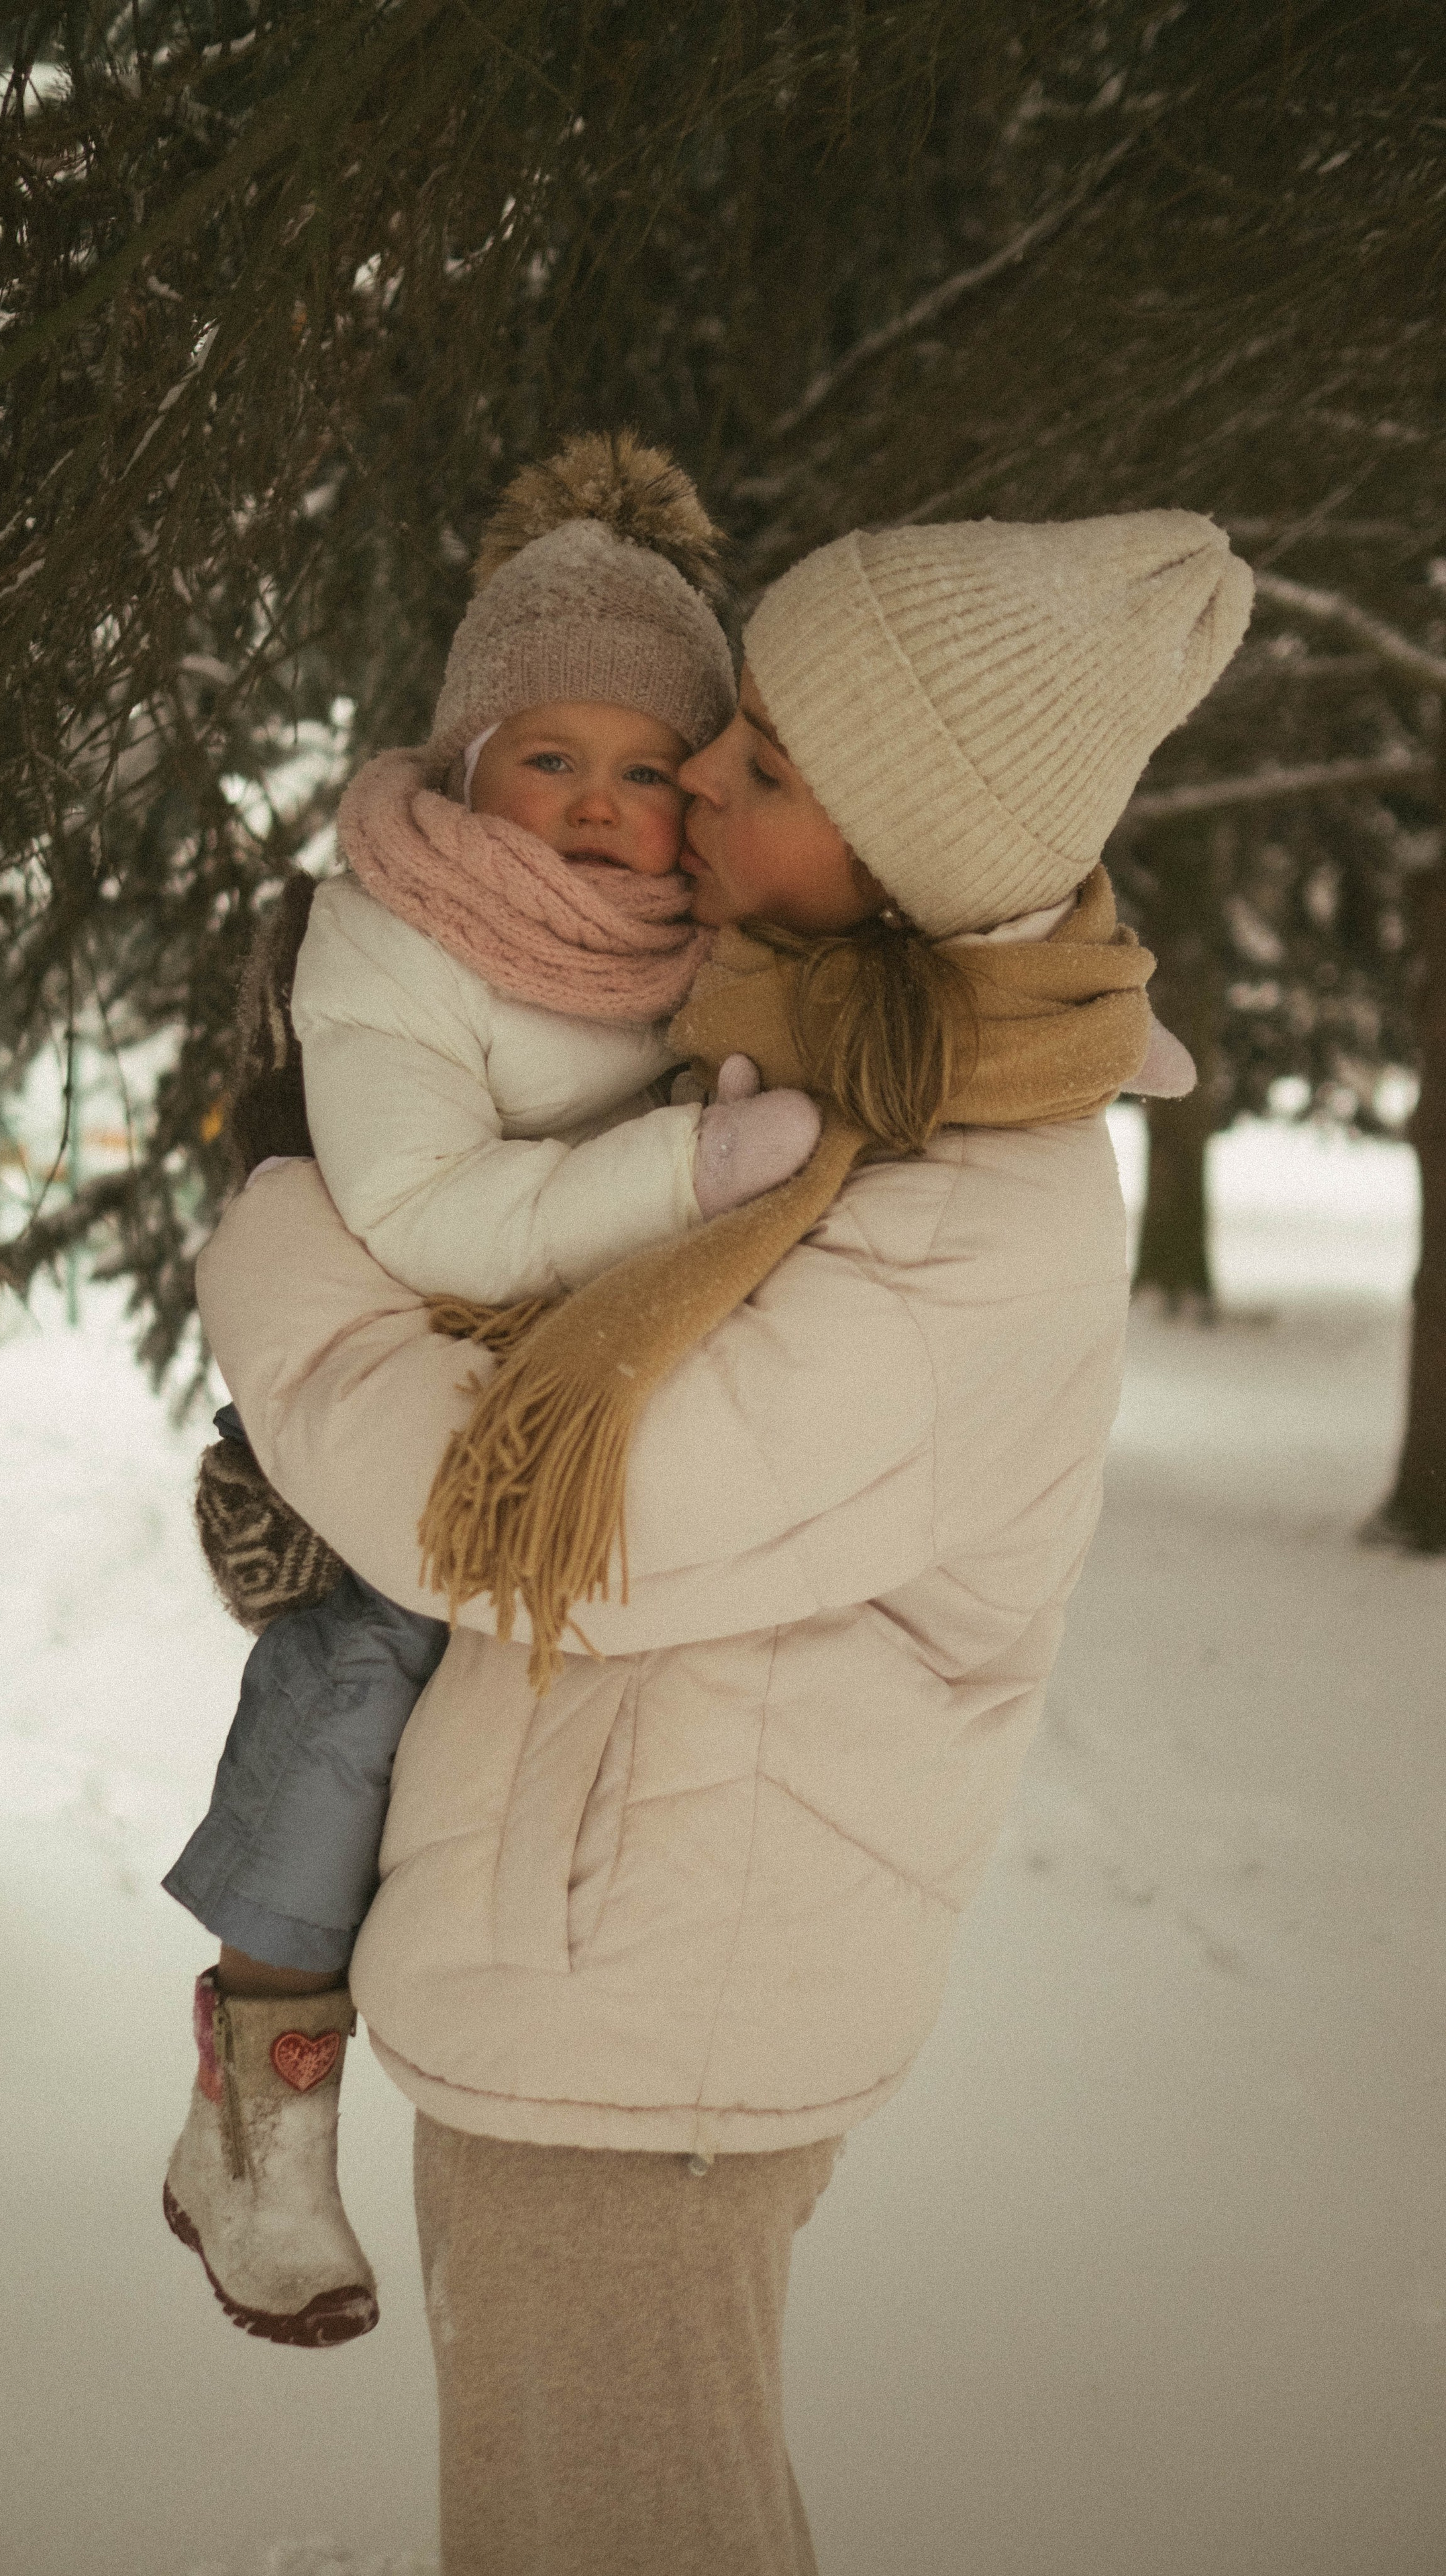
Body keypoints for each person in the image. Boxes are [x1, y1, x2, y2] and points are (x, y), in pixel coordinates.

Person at [193, 505, 1252, 2575]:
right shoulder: (808, 1059)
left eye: (762, 767)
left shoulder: (970, 1208)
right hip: (600, 1967)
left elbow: (535, 1532)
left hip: (647, 2028)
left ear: (899, 856)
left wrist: (281, 1257)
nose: (690, 782)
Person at [160, 435, 826, 2348]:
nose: (602, 811)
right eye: (555, 759)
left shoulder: (710, 940)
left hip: (584, 1414)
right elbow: (428, 1212)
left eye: (646, 770)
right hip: (398, 1389)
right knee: (359, 1684)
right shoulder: (398, 931)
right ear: (466, 763)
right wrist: (686, 1174)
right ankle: (255, 2121)